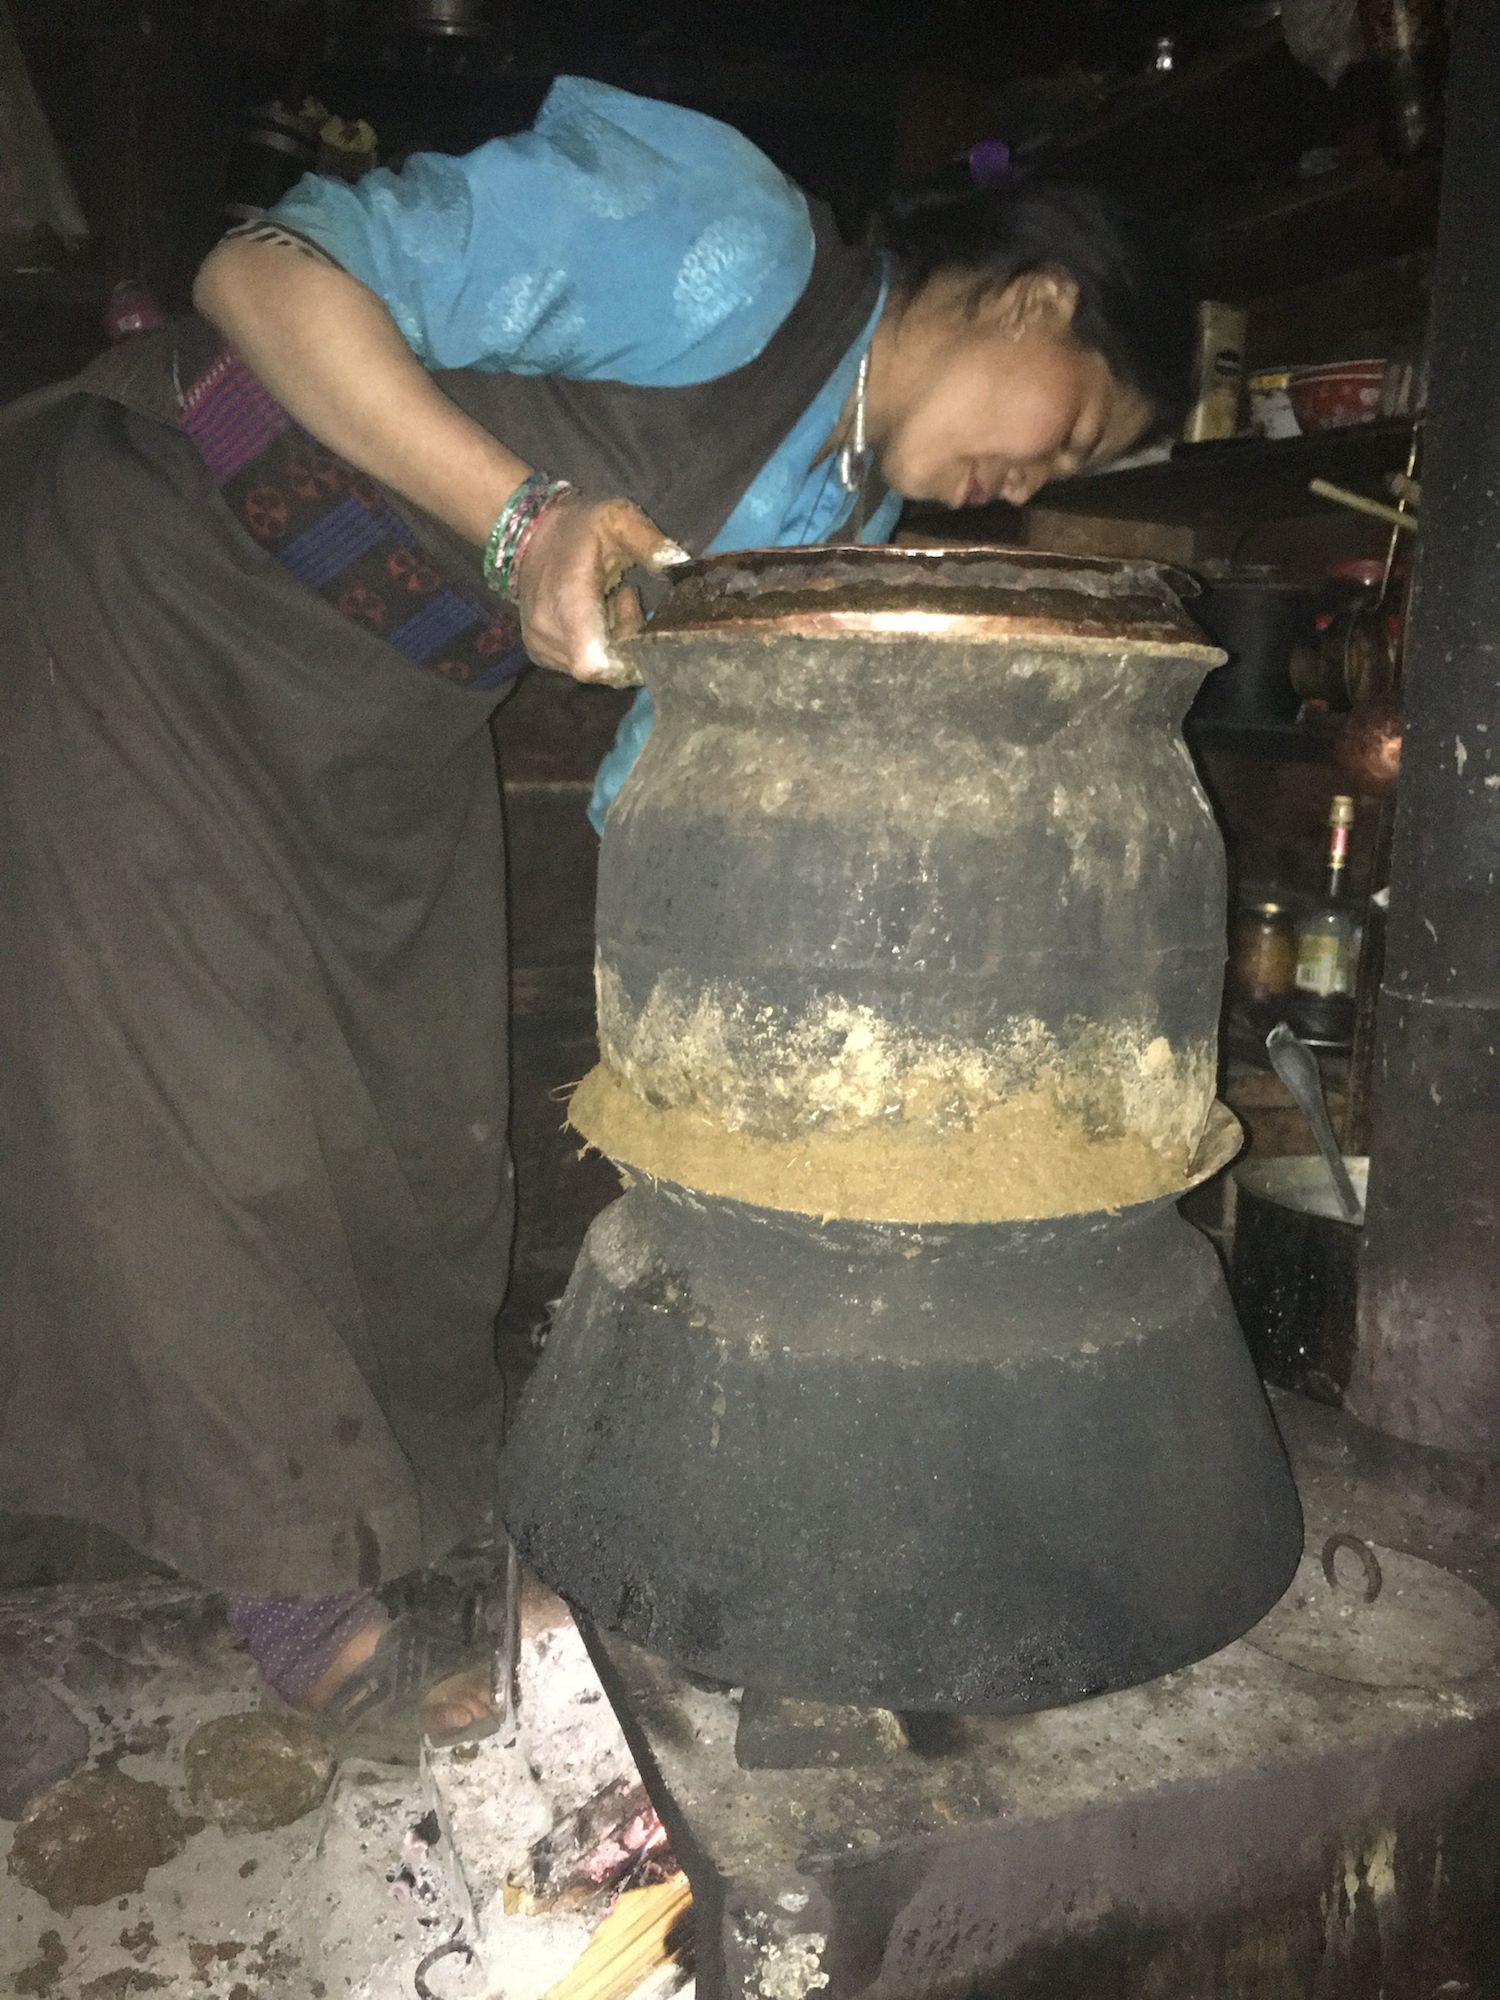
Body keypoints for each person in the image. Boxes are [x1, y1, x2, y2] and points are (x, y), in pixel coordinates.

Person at [0, 76, 1194, 1760]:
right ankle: (292, 1586)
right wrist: (524, 513)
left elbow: (670, 773)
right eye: (1073, 429)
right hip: (167, 580)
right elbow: (258, 276)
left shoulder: (828, 518)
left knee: (425, 1130)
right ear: (1035, 296)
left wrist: (807, 1011)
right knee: (208, 1099)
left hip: (379, 717)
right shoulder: (728, 247)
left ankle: (404, 1525)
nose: (1027, 481)